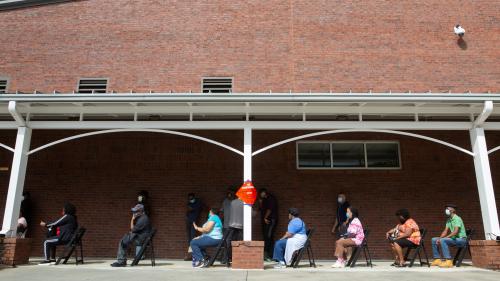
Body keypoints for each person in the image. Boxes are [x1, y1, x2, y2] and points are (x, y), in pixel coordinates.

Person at [430, 204, 467, 268]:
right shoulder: (449, 220)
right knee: (434, 239)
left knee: (443, 240)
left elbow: (455, 232)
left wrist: (443, 238)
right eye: (446, 209)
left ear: (452, 210)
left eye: (447, 208)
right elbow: (445, 231)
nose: (446, 210)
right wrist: (439, 238)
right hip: (454, 239)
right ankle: (437, 259)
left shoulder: (457, 219)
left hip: (461, 240)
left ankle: (448, 261)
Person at [259, 188, 278, 261]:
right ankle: (269, 254)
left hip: (271, 220)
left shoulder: (270, 198)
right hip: (266, 221)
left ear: (264, 193)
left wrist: (265, 217)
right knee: (267, 236)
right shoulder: (264, 200)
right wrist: (260, 203)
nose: (260, 195)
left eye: (261, 193)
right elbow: (261, 209)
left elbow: (270, 209)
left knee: (269, 236)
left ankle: (269, 254)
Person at [185, 193, 203, 260]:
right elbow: (187, 211)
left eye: (191, 198)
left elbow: (194, 209)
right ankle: (190, 255)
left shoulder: (198, 203)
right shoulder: (189, 203)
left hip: (193, 222)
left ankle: (192, 255)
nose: (190, 199)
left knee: (193, 238)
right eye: (189, 198)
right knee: (189, 239)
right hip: (188, 221)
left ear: (194, 197)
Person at [226, 197, 244, 262]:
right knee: (241, 242)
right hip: (241, 226)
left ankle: (229, 257)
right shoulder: (245, 202)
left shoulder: (232, 202)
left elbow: (229, 213)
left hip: (231, 225)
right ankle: (239, 257)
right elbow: (252, 213)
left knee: (229, 242)